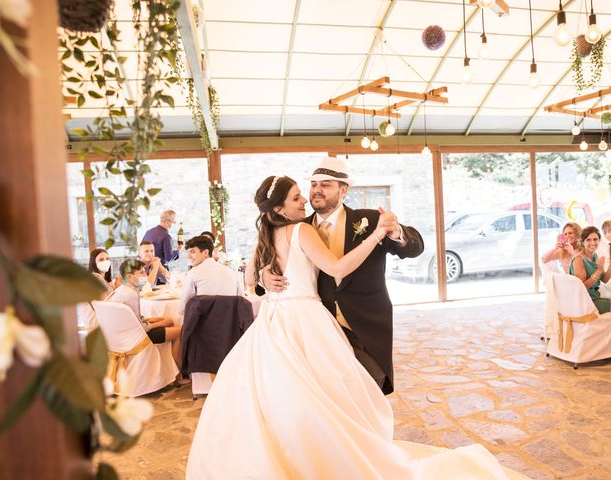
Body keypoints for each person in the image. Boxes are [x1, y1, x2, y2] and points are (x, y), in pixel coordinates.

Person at [186, 175, 521, 479]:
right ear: (280, 208)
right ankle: (336, 455)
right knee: (321, 398)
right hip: (309, 323)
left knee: (299, 397)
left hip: (304, 324)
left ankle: (298, 457)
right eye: (300, 195)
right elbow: (334, 268)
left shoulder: (286, 229)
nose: (308, 197)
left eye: (319, 187)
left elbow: (414, 246)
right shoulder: (303, 228)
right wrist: (372, 238)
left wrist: (387, 230)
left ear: (342, 190)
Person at [262, 157, 423, 394]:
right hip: (318, 330)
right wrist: (262, 277)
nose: (316, 190)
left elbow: (415, 247)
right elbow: (270, 259)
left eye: (325, 184)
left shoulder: (369, 220)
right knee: (331, 398)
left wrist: (396, 231)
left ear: (343, 190)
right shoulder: (298, 226)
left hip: (365, 323)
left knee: (372, 387)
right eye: (314, 184)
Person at [108, 259, 182, 366]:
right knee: (179, 332)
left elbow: (134, 318)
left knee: (168, 321)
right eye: (141, 272)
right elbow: (141, 328)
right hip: (136, 338)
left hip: (120, 337)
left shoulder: (121, 290)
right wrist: (160, 323)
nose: (146, 275)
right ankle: (178, 375)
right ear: (129, 276)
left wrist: (157, 319)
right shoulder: (131, 294)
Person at [178, 235, 243, 318]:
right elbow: (241, 302)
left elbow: (182, 309)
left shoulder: (193, 273)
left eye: (192, 252)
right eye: (188, 252)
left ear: (205, 253)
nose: (188, 256)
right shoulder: (231, 272)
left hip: (203, 328)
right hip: (231, 327)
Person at [569, 226, 611, 314]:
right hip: (585, 302)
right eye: (588, 240)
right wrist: (599, 270)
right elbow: (582, 287)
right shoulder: (578, 260)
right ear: (582, 242)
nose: (593, 243)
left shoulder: (594, 256)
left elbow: (604, 279)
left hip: (595, 298)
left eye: (595, 239)